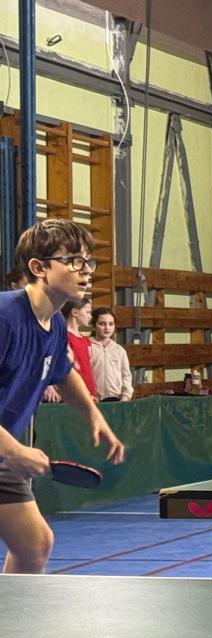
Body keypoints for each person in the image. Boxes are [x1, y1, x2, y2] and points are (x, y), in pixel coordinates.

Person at [0, 218, 126, 573]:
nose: (85, 270)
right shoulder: (4, 317)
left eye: (87, 261)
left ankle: (12, 609)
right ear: (38, 268)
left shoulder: (54, 323)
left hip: (3, 451)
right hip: (7, 449)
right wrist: (16, 451)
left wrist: (94, 416)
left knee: (34, 545)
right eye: (72, 260)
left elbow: (63, 372)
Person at [88, 306, 134, 401]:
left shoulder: (119, 350)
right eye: (102, 324)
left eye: (111, 324)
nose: (107, 328)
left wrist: (125, 396)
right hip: (92, 399)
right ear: (93, 326)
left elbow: (126, 376)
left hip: (115, 399)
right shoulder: (86, 346)